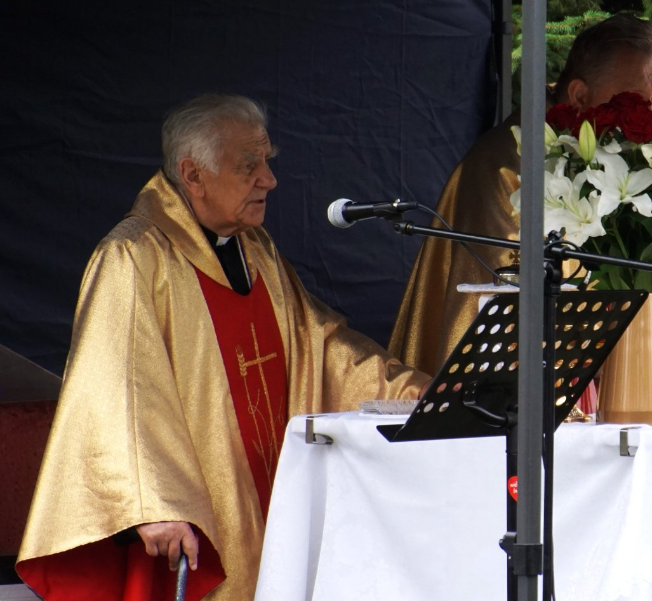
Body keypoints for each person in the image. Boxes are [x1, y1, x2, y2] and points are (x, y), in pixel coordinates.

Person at [17, 95, 431, 601]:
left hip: (269, 496)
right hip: (195, 513)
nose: (269, 180)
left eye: (267, 162)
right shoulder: (133, 256)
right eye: (248, 166)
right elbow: (114, 387)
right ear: (193, 175)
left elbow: (321, 347)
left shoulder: (257, 249)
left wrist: (418, 391)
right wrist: (154, 503)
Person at [388, 14, 652, 374]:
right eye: (634, 101)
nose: (650, 116)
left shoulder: (626, 159)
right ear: (579, 96)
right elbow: (502, 302)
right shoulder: (507, 167)